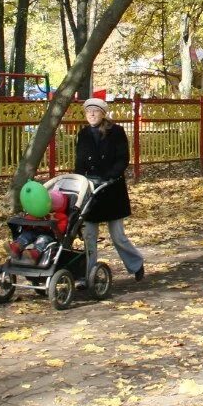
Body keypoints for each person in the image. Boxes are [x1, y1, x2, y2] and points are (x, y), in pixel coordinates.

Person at [76, 97, 145, 282]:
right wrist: (79, 182)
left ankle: (136, 264)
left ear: (103, 113)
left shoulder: (116, 132)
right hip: (91, 192)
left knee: (118, 236)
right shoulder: (83, 134)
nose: (91, 114)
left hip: (111, 189)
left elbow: (123, 158)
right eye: (88, 111)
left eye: (95, 111)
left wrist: (110, 176)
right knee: (89, 236)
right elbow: (80, 162)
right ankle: (90, 276)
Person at [9, 185, 69, 264]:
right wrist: (29, 219)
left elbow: (61, 230)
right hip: (34, 231)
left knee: (43, 240)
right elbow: (29, 221)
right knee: (26, 234)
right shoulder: (39, 211)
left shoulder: (61, 217)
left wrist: (53, 223)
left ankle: (34, 254)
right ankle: (16, 247)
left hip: (50, 235)